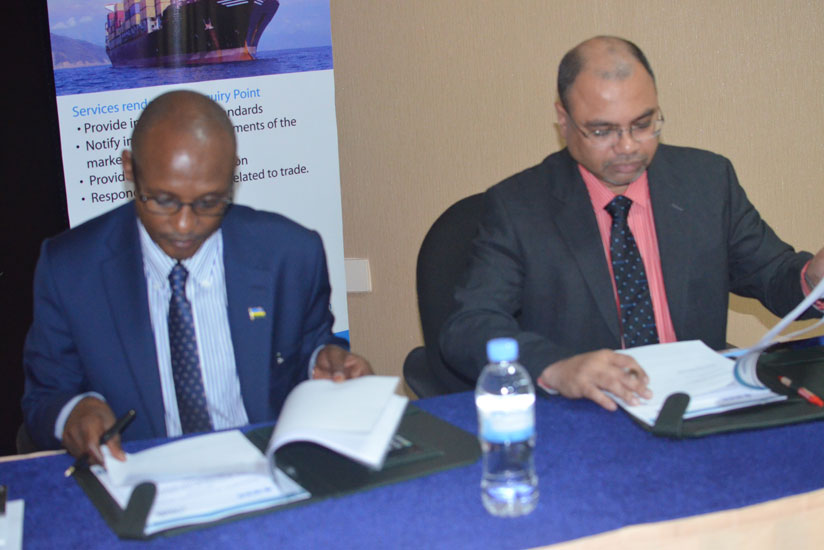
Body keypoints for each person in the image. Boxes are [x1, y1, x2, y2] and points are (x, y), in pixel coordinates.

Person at [440, 36, 824, 411]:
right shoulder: (518, 206)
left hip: (696, 406)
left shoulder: (707, 181)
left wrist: (813, 278)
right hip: (590, 413)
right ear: (563, 120)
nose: (627, 146)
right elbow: (469, 326)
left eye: (643, 124)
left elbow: (773, 274)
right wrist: (555, 367)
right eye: (602, 130)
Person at [22, 90, 371, 463]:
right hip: (141, 478)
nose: (185, 225)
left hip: (265, 469)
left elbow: (308, 348)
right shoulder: (71, 268)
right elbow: (45, 396)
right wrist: (75, 411)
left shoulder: (291, 253)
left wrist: (326, 360)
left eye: (209, 202)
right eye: (163, 201)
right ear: (129, 169)